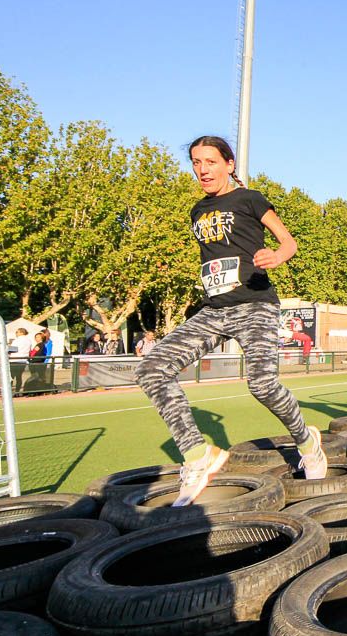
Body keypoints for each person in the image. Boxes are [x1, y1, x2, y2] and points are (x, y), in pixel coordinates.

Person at [136, 135, 327, 506]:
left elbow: (289, 241)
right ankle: (197, 456)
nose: (202, 169)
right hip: (214, 310)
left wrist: (278, 256)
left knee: (263, 385)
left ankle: (307, 442)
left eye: (210, 161)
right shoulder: (196, 211)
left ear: (229, 164)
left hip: (255, 305)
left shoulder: (250, 199)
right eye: (196, 162)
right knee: (152, 369)